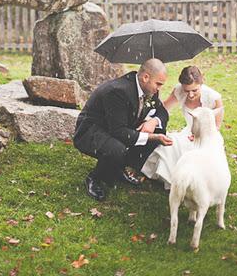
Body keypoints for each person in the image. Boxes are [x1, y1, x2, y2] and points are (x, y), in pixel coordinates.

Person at [73, 58, 173, 201]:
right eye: (158, 84)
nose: (159, 89)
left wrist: (153, 121)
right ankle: (95, 178)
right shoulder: (118, 91)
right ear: (146, 77)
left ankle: (117, 168)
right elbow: (118, 132)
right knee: (117, 149)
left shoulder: (150, 89)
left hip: (115, 127)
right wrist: (152, 137)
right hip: (91, 132)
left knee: (158, 130)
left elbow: (162, 112)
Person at [141, 65, 224, 190]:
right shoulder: (179, 90)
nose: (190, 95)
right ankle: (173, 180)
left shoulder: (214, 98)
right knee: (170, 144)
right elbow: (163, 109)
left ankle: (194, 183)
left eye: (194, 90)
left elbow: (217, 127)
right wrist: (151, 119)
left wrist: (199, 135)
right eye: (187, 91)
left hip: (208, 135)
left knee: (192, 150)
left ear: (202, 83)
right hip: (188, 132)